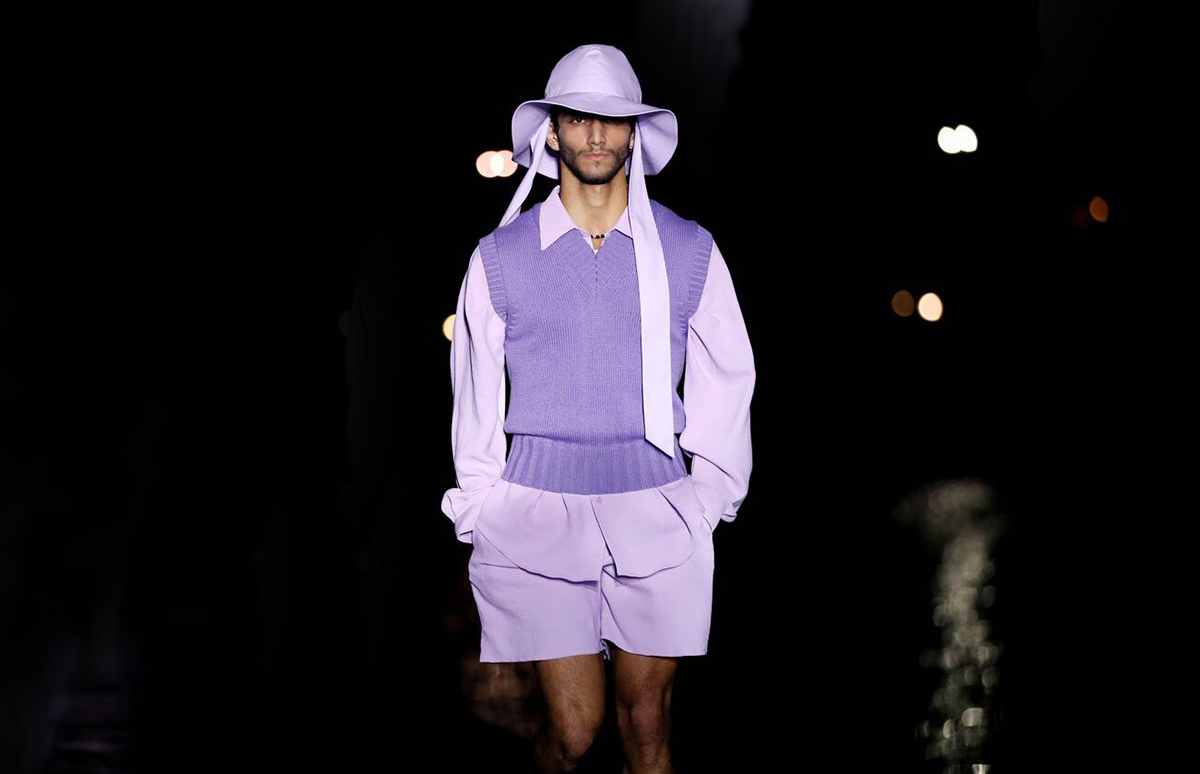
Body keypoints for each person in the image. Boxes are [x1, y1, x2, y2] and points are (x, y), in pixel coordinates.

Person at [441, 43, 754, 774]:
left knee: (646, 722)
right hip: (540, 512)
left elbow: (727, 374)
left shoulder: (688, 250)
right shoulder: (501, 257)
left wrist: (708, 492)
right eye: (579, 119)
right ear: (551, 132)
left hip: (656, 505)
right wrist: (483, 505)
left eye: (612, 121)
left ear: (633, 135)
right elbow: (477, 387)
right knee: (576, 731)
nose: (594, 135)